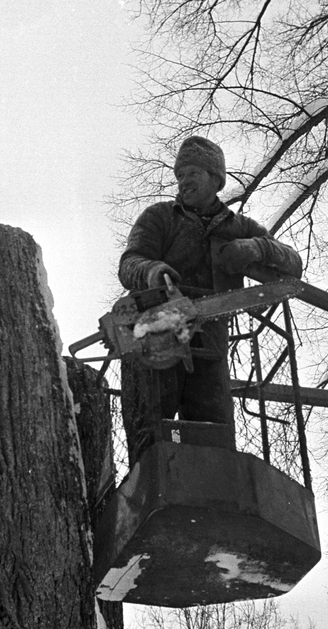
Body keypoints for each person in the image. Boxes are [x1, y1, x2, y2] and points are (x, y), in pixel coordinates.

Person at [118, 135, 302, 460]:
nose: (183, 181)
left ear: (215, 179)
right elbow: (130, 263)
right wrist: (152, 272)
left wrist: (257, 247)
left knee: (213, 425)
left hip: (212, 341)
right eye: (180, 175)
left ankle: (214, 490)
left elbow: (292, 262)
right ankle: (152, 481)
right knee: (153, 423)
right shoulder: (160, 217)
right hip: (159, 331)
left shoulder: (240, 226)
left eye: (192, 173)